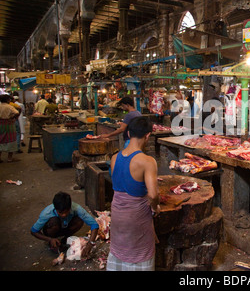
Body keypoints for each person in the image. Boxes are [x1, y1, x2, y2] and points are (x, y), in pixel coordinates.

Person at [106, 116, 160, 271]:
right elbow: (153, 195)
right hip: (136, 219)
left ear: (128, 134)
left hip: (117, 215)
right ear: (148, 135)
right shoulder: (147, 161)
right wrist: (156, 208)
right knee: (139, 256)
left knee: (119, 252)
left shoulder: (115, 158)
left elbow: (121, 181)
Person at [30, 192, 99, 258]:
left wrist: (90, 244)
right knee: (53, 221)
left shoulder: (76, 208)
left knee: (79, 220)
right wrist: (50, 239)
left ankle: (65, 239)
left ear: (70, 206)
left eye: (67, 211)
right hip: (53, 229)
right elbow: (33, 231)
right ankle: (53, 242)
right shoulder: (46, 213)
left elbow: (94, 224)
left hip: (66, 227)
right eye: (61, 212)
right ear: (55, 208)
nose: (64, 215)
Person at [0, 94, 20, 163]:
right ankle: (9, 158)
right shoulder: (9, 107)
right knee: (11, 139)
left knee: (0, 139)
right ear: (8, 100)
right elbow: (17, 112)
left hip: (0, 125)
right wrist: (12, 118)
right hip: (9, 124)